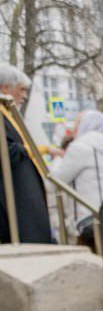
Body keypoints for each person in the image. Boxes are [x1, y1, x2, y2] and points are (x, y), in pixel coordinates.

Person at [48, 110, 103, 249]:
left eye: (77, 123)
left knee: (97, 261)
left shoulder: (80, 147)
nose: (73, 128)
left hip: (91, 219)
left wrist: (57, 157)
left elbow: (58, 179)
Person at [0, 64, 51, 244]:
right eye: (21, 90)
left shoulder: (7, 114)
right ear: (5, 88)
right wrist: (24, 150)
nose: (24, 95)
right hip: (14, 200)